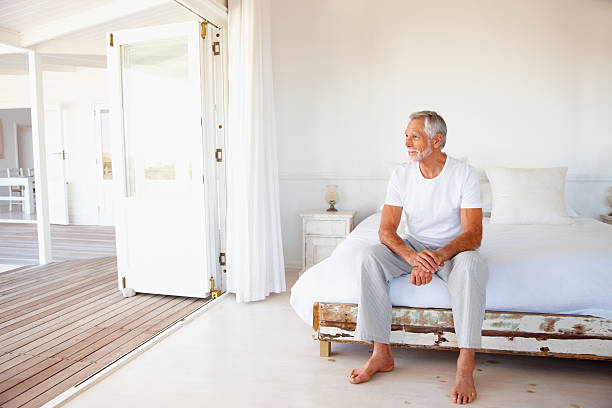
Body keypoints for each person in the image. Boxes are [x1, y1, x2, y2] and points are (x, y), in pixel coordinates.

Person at [348, 111, 488, 405]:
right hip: (414, 246)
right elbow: (386, 230)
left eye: (415, 136)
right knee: (368, 257)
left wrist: (435, 258)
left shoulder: (464, 174)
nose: (408, 142)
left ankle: (465, 362)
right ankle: (381, 352)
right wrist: (413, 258)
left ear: (436, 141)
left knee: (474, 264)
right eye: (406, 136)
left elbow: (474, 235)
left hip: (452, 248)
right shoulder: (401, 174)